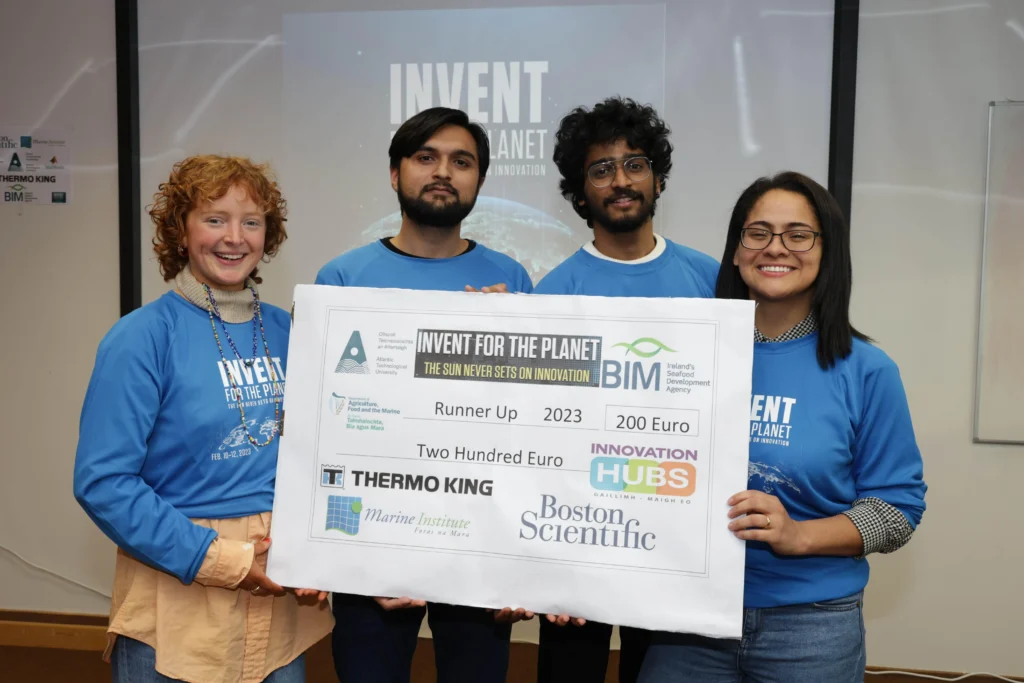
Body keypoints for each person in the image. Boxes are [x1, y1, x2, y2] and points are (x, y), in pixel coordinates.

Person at [638, 172, 928, 683]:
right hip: (688, 621)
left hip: (811, 627)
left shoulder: (867, 370)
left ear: (826, 252)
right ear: (735, 250)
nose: (776, 248)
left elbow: (898, 511)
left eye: (798, 234)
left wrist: (800, 535)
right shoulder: (683, 357)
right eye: (758, 232)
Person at [73, 155, 333, 683]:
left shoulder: (295, 331)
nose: (234, 237)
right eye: (215, 219)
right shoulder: (140, 339)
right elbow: (104, 484)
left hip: (280, 608)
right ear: (181, 231)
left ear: (269, 234)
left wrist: (319, 546)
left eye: (251, 221)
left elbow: (323, 451)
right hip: (180, 603)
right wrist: (224, 561)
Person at [316, 106, 534, 683]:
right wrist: (359, 560)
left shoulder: (512, 280)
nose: (444, 172)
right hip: (372, 548)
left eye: (462, 162)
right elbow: (321, 426)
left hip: (478, 542)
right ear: (395, 174)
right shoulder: (341, 278)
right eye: (425, 157)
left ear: (479, 181)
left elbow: (531, 429)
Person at [533, 96, 720, 683]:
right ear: (579, 190)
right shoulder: (553, 293)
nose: (620, 181)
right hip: (578, 538)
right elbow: (536, 433)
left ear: (658, 179)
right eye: (601, 169)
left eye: (634, 164)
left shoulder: (711, 280)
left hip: (675, 541)